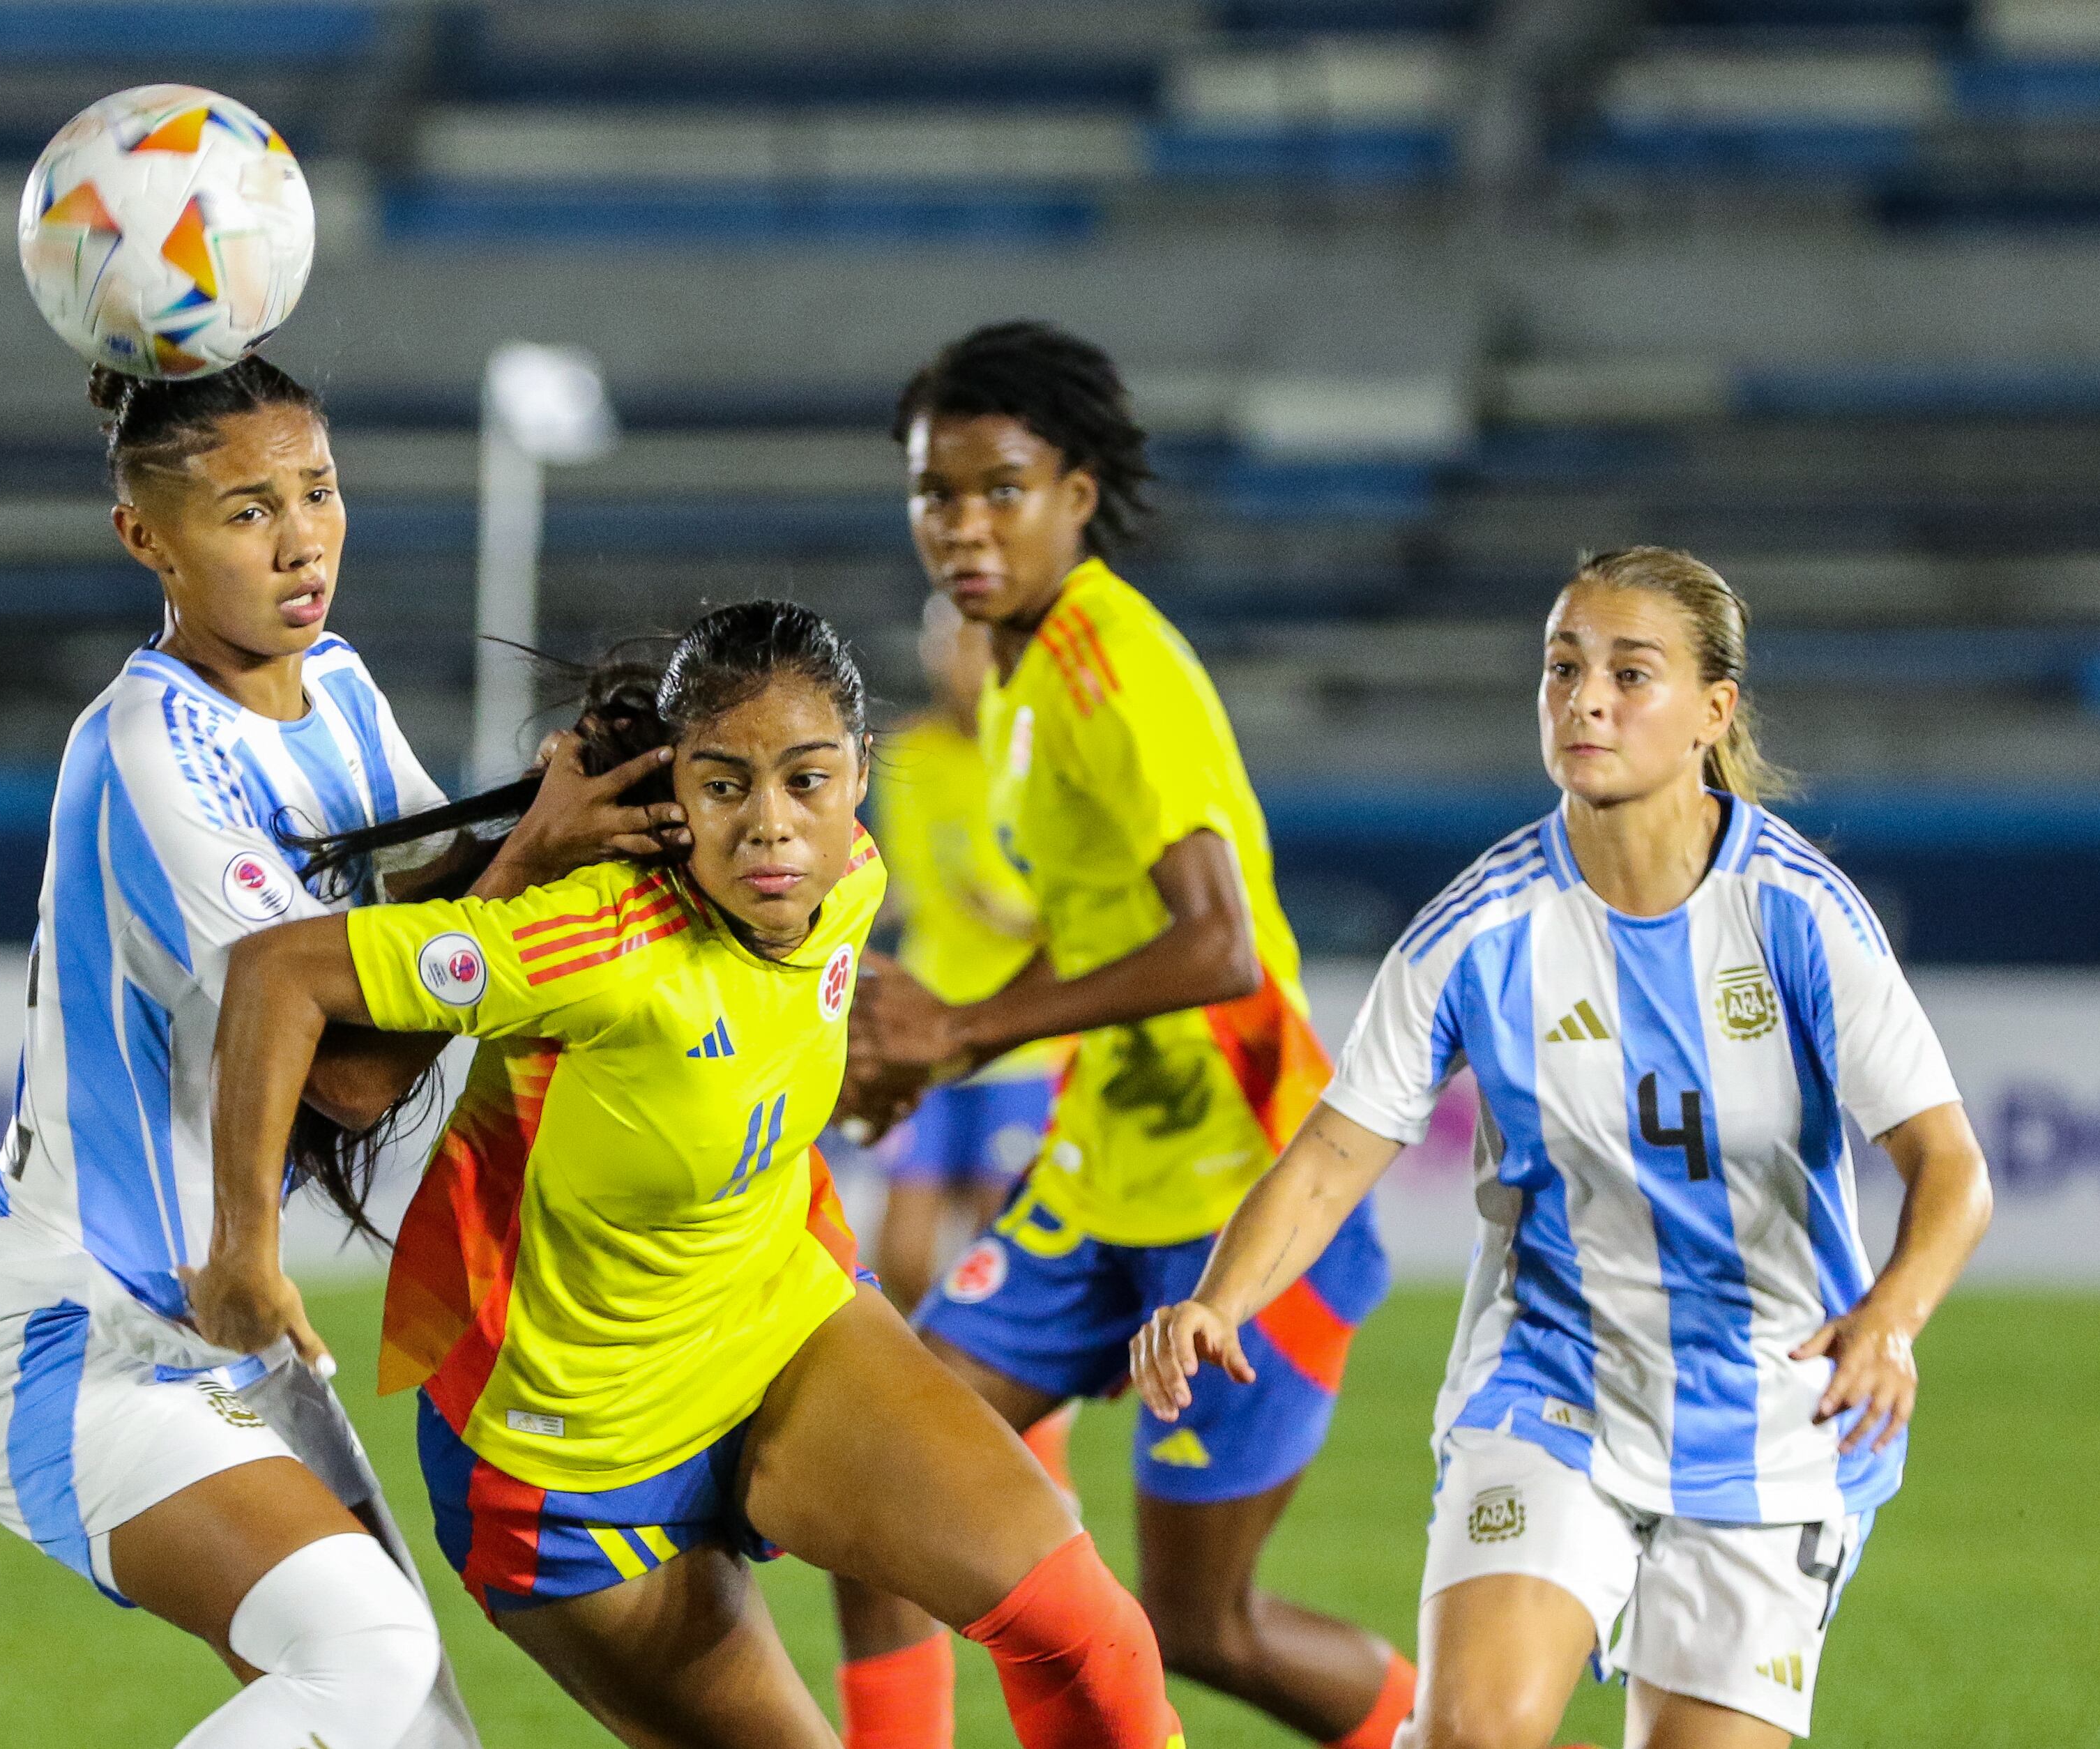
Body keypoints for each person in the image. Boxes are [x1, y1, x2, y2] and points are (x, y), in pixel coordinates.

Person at [195, 600, 1185, 1749]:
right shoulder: (592, 942)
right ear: (682, 793)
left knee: (1088, 1628)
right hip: (568, 1468)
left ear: (860, 774)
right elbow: (276, 974)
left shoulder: (853, 875)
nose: (772, 825)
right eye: (726, 786)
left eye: (806, 780)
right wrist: (241, 1253)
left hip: (780, 1327)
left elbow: (766, 1029)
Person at [0, 358, 681, 1749]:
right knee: (368, 1661)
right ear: (144, 538)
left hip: (225, 1322)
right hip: (72, 1334)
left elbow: (417, 911)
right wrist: (527, 860)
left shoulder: (332, 681)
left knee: (412, 1728)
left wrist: (556, 815)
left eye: (318, 491)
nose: (304, 536)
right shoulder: (151, 746)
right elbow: (346, 1068)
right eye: (246, 510)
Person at [1134, 547, 1995, 1749]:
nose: (1583, 697)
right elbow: (1331, 1151)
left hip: (1773, 1412)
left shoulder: (1799, 914)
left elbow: (1948, 1161)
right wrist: (1218, 1298)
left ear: (1712, 711)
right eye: (1561, 665)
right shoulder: (1476, 927)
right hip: (1551, 1385)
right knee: (1470, 1730)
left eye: (1627, 672)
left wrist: (1891, 1313)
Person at [836, 321, 1412, 1749]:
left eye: (1001, 489)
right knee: (876, 1487)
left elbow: (1215, 945)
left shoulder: (1114, 669)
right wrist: (954, 1045)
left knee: (1200, 1625)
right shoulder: (1020, 671)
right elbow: (1095, 928)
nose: (962, 527)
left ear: (1078, 495)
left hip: (1246, 1197)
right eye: (935, 493)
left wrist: (970, 1021)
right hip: (1102, 1176)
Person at [864, 593, 1066, 1314]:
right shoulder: (904, 754)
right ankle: (911, 1386)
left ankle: (992, 1407)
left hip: (1018, 1034)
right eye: (949, 642)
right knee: (904, 1252)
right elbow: (895, 884)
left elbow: (1083, 900)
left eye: (976, 643)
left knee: (997, 1246)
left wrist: (1019, 919)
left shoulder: (1037, 752)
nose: (963, 659)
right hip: (924, 1024)